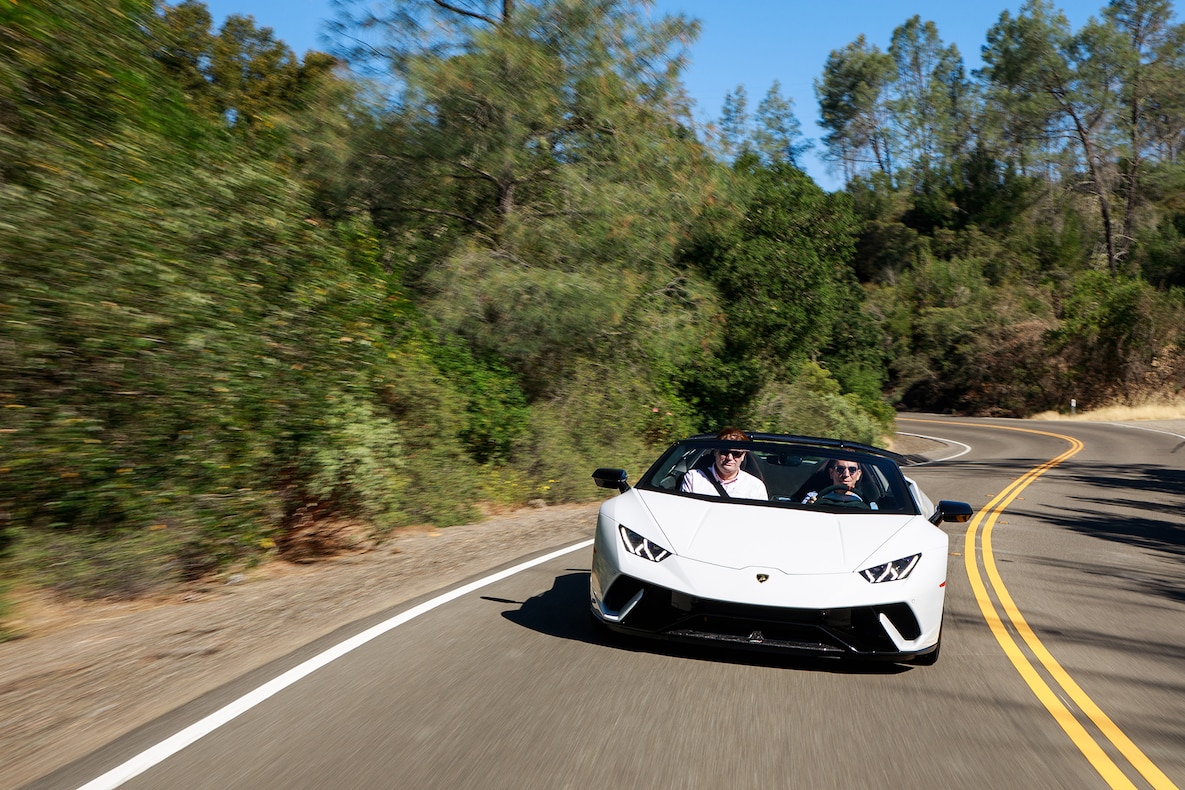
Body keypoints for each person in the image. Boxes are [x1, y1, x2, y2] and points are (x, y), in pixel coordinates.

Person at [680, 427, 769, 500]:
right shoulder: (693, 478)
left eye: (736, 454)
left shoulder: (756, 487)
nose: (729, 458)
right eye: (724, 452)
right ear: (715, 452)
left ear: (743, 456)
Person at [802, 458, 868, 507]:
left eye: (852, 469)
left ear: (858, 474)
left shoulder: (868, 503)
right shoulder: (814, 497)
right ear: (831, 473)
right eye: (840, 469)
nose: (846, 474)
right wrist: (809, 506)